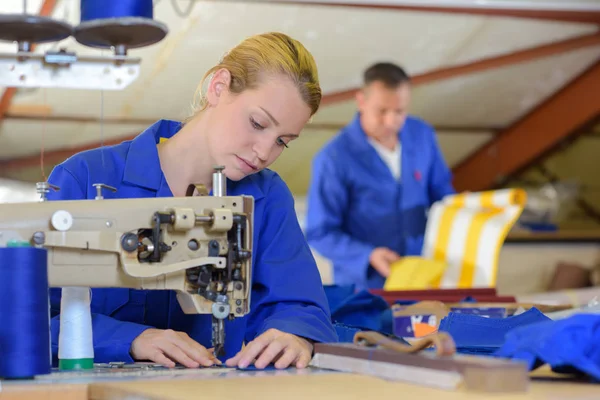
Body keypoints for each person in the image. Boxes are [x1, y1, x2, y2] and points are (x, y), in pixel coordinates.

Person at [47, 32, 337, 370]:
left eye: (282, 142)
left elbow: (300, 305)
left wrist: (294, 334)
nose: (264, 153)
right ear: (218, 87)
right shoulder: (84, 179)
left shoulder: (267, 197)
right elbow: (23, 314)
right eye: (257, 123)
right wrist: (130, 339)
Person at [305, 62, 455, 291]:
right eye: (382, 111)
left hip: (422, 282)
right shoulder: (333, 159)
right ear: (361, 101)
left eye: (400, 111)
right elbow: (320, 232)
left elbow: (443, 194)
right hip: (363, 290)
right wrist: (368, 255)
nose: (392, 121)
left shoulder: (422, 135)